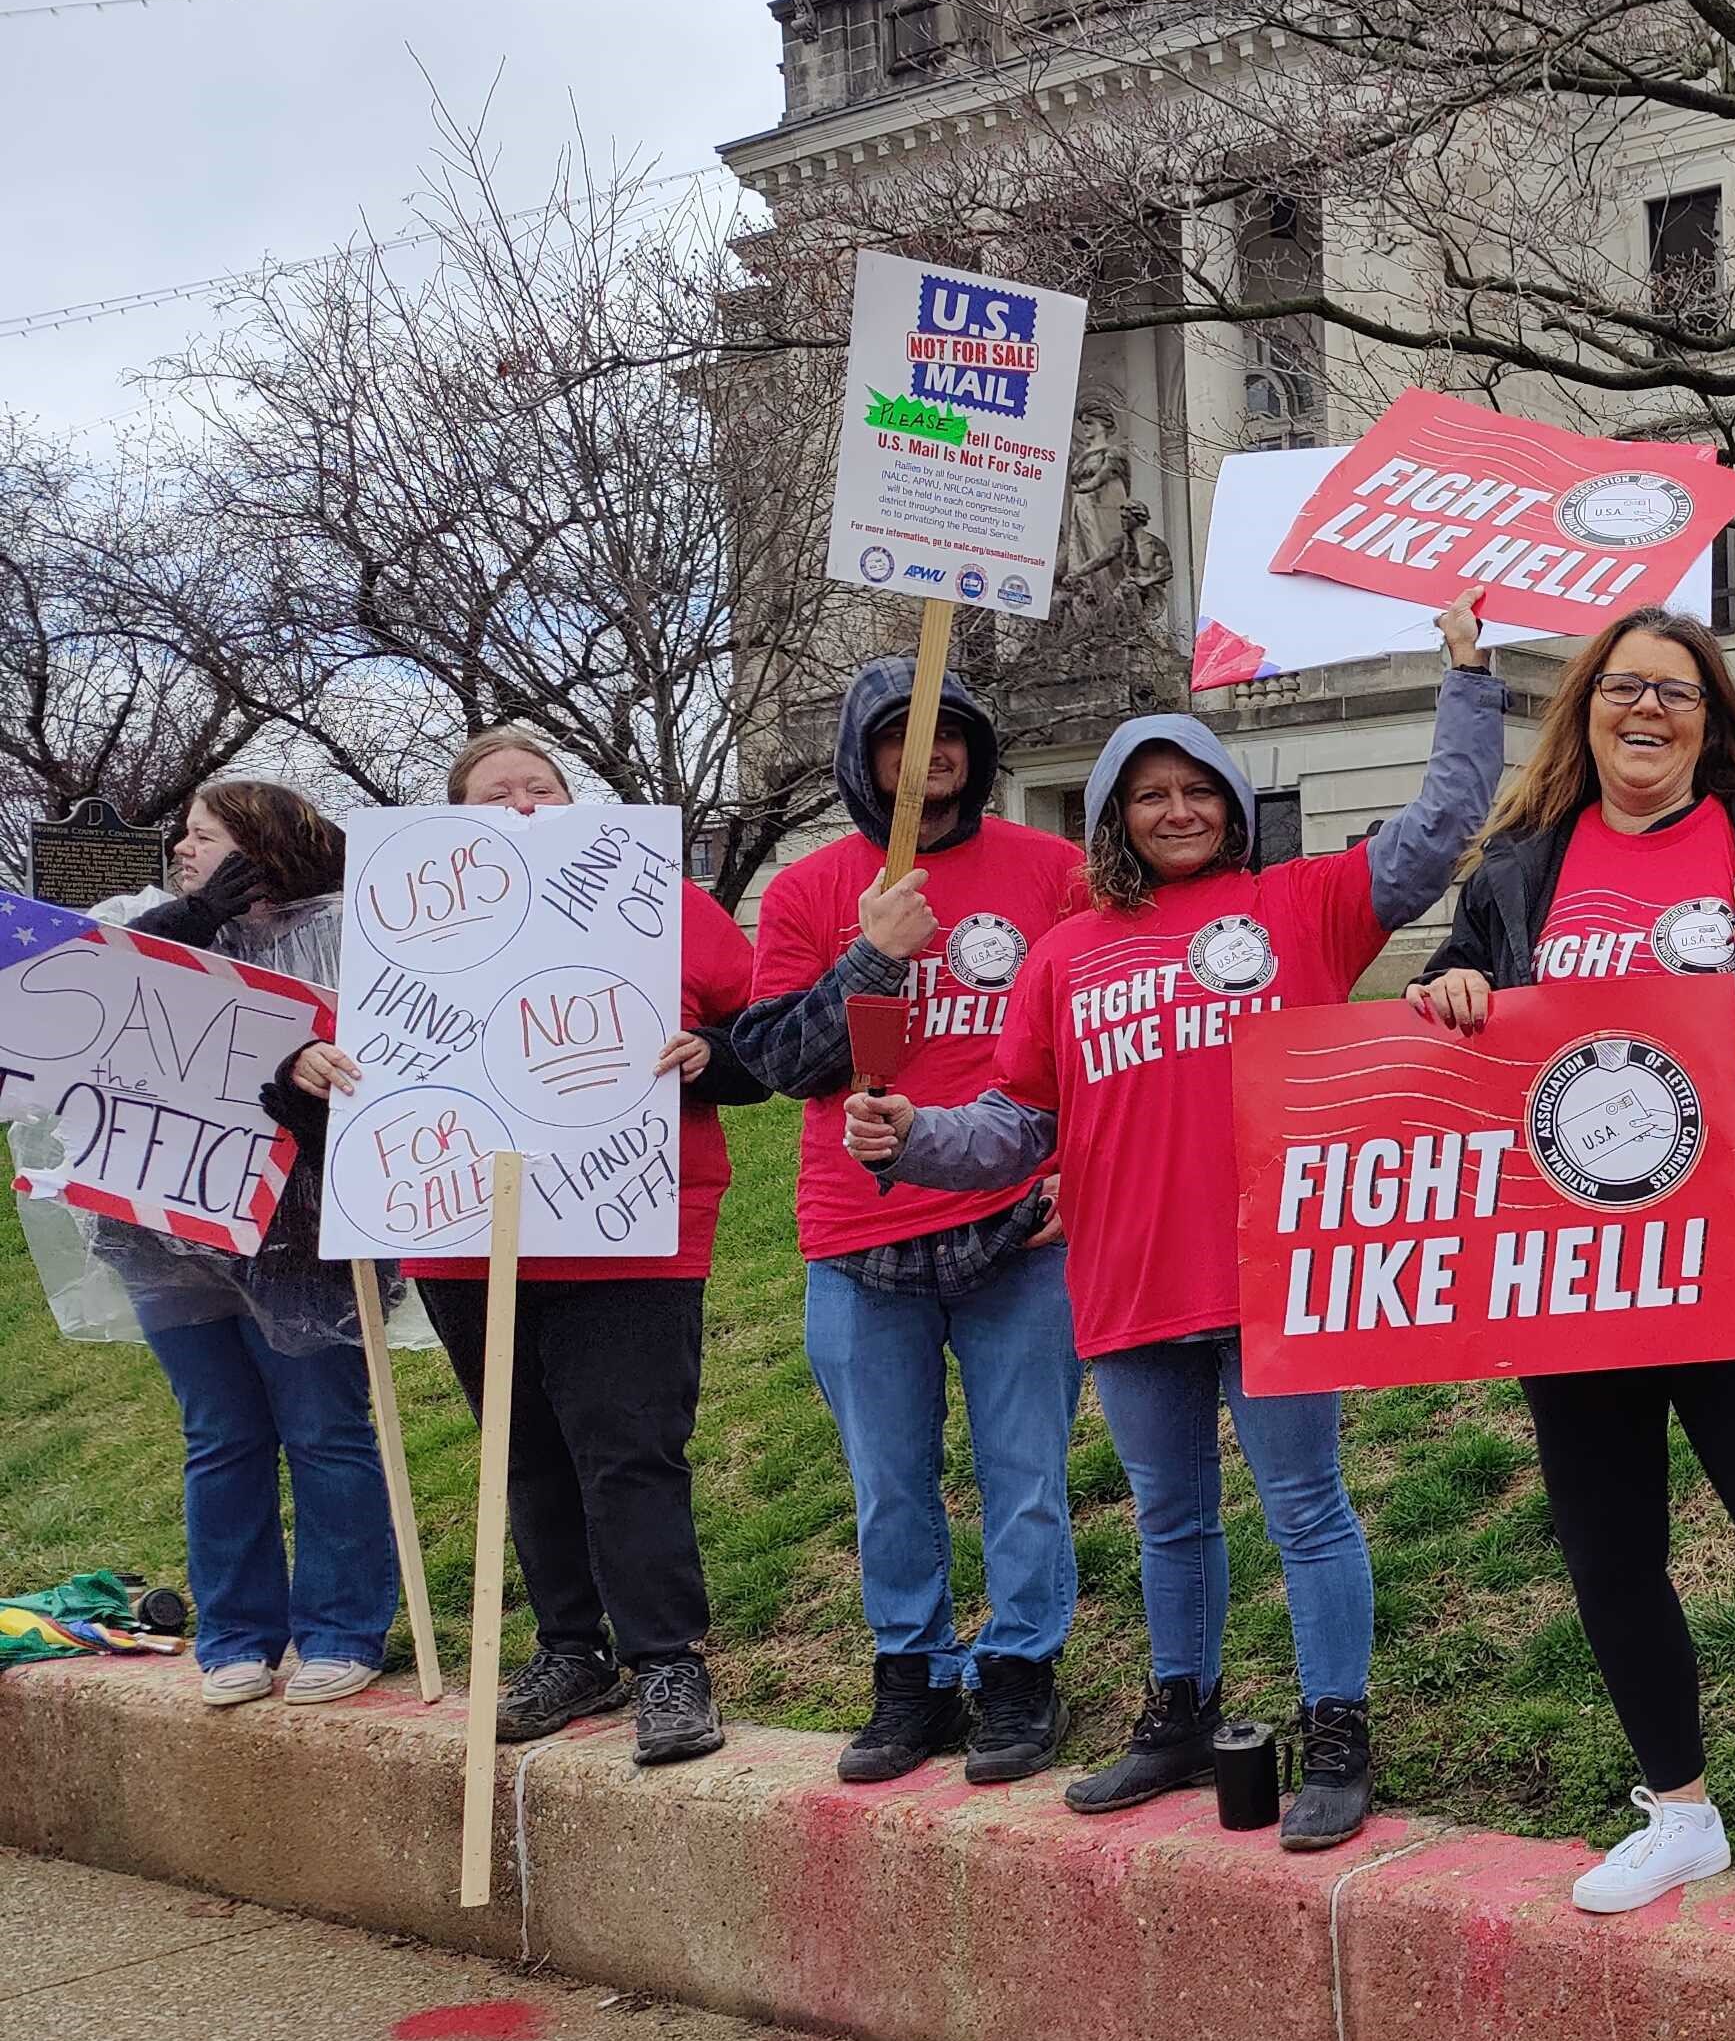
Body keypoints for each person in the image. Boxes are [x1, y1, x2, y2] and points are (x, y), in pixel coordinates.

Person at [849, 591, 1499, 1847]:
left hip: (1275, 1275)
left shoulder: (1300, 906)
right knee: (1169, 1516)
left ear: (1230, 799)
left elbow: (1438, 830)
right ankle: (1180, 1715)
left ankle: (1335, 1731)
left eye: (1196, 787)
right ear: (1112, 821)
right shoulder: (1065, 953)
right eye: (1147, 796)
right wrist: (916, 1138)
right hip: (1130, 1279)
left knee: (1307, 1507)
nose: (1178, 811)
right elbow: (1015, 1126)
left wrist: (1466, 675)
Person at [1409, 606, 1735, 1959]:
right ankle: (1681, 1806)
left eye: (1678, 691)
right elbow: (1454, 990)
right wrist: (1452, 986)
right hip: (1573, 1271)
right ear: (1584, 706)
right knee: (1610, 1553)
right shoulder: (1523, 869)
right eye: (1624, 687)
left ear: (1711, 717)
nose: (1647, 710)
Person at [287, 730, 767, 1768]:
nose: (521, 806)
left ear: (576, 802)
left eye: (540, 789)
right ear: (457, 821)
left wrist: (710, 1059)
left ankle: (667, 1661)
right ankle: (569, 1651)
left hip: (631, 1232)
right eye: (495, 794)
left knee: (629, 1449)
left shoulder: (669, 912)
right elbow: (346, 1073)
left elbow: (769, 1043)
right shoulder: (401, 932)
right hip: (468, 1236)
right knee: (526, 1453)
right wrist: (305, 1070)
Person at [730, 656, 1088, 1786]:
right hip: (858, 1232)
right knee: (888, 1480)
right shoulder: (804, 891)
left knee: (1024, 1471)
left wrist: (1076, 1166)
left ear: (976, 753)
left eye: (948, 733)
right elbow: (785, 1062)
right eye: (900, 734)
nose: (927, 753)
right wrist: (874, 951)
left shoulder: (1054, 871)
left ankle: (1022, 1670)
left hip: (1016, 1224)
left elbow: (1102, 1033)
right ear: (862, 754)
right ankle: (913, 1672)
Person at [96, 782, 402, 1707]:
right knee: (219, 1435)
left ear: (263, 845)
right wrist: (186, 920)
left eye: (205, 835)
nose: (183, 848)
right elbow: (73, 993)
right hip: (164, 1225)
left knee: (322, 1427)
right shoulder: (145, 924)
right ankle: (235, 1635)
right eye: (182, 836)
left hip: (307, 1231)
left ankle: (341, 1629)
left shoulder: (354, 933)